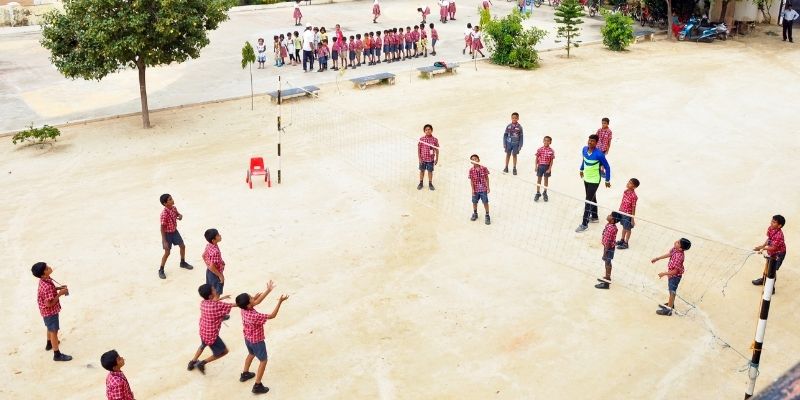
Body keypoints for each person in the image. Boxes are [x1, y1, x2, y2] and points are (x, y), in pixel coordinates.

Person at [236, 281, 290, 395]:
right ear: (248, 304)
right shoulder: (255, 316)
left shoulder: (243, 309)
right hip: (257, 341)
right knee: (263, 360)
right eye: (251, 298)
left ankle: (245, 374)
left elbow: (256, 301)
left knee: (251, 354)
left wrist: (268, 290)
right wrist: (280, 302)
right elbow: (272, 316)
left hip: (247, 338)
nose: (253, 297)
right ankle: (257, 385)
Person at [188, 284, 235, 374]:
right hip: (212, 336)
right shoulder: (217, 306)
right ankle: (202, 363)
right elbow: (232, 305)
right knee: (224, 352)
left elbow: (213, 302)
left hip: (203, 331)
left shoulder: (203, 303)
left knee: (203, 345)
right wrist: (245, 303)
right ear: (210, 296)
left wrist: (222, 298)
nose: (215, 290)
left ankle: (192, 362)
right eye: (213, 290)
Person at [31, 262, 72, 361]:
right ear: (43, 274)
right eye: (46, 268)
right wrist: (60, 294)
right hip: (50, 312)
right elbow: (49, 304)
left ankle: (49, 343)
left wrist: (59, 288)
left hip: (46, 312)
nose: (49, 267)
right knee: (54, 331)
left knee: (50, 327)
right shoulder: (47, 287)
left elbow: (50, 290)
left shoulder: (44, 280)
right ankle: (57, 354)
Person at [575, 134, 611, 232]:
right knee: (592, 197)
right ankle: (594, 217)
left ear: (596, 143)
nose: (590, 142)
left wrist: (607, 180)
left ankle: (584, 224)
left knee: (588, 201)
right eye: (589, 140)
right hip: (586, 178)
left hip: (594, 180)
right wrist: (581, 169)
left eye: (592, 141)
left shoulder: (599, 154)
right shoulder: (584, 149)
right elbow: (584, 160)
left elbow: (607, 167)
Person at [651, 238, 692, 316]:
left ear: (680, 248)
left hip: (675, 277)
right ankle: (671, 304)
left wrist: (664, 273)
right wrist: (657, 258)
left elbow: (675, 271)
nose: (676, 242)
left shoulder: (679, 256)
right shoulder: (675, 249)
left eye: (678, 242)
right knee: (671, 290)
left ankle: (668, 310)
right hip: (671, 275)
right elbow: (669, 254)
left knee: (672, 291)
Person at [158, 194, 193, 280]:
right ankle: (161, 269)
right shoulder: (164, 214)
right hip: (167, 234)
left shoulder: (173, 208)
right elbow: (162, 228)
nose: (172, 200)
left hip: (174, 232)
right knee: (167, 253)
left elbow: (178, 214)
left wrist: (180, 216)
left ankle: (182, 262)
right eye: (170, 199)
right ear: (165, 203)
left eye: (171, 198)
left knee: (182, 246)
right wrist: (164, 241)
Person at [752, 215, 787, 292]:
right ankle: (764, 280)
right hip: (772, 252)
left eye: (774, 222)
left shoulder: (779, 236)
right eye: (772, 221)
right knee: (767, 266)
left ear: (779, 226)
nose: (771, 223)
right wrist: (762, 246)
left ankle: (771, 288)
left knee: (772, 270)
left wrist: (763, 248)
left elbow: (774, 248)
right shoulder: (770, 228)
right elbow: (769, 239)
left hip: (778, 254)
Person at [594, 212, 621, 290]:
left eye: (610, 215)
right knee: (607, 262)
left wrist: (604, 253)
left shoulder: (611, 228)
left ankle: (606, 283)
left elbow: (608, 242)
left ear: (612, 220)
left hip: (608, 248)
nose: (608, 215)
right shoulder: (610, 225)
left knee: (608, 263)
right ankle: (607, 277)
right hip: (608, 247)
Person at [616, 178, 640, 249]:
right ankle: (622, 240)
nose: (628, 183)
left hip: (628, 215)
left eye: (630, 183)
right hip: (622, 212)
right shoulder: (625, 191)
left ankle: (626, 243)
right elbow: (622, 201)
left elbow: (633, 207)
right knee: (624, 227)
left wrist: (632, 218)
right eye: (629, 182)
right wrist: (620, 210)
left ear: (634, 187)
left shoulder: (634, 196)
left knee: (628, 229)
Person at [468, 154, 491, 225]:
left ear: (479, 160)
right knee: (474, 202)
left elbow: (487, 178)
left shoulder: (484, 168)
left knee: (485, 202)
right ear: (471, 162)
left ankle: (487, 215)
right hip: (475, 189)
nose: (474, 160)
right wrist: (472, 190)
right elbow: (471, 180)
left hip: (483, 189)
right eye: (472, 159)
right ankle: (475, 213)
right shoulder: (471, 170)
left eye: (475, 159)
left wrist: (488, 187)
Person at [203, 228, 226, 297]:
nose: (220, 235)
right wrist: (220, 276)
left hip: (209, 272)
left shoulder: (209, 245)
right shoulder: (215, 251)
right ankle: (215, 303)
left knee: (211, 291)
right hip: (215, 274)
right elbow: (212, 266)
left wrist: (208, 266)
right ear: (213, 240)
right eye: (218, 235)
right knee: (216, 293)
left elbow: (203, 256)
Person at [417, 124, 440, 191]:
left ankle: (430, 183)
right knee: (422, 171)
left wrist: (437, 158)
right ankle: (421, 183)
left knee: (430, 171)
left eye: (429, 129)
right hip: (423, 159)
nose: (428, 131)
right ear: (424, 131)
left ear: (432, 130)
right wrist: (419, 158)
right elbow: (419, 149)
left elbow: (437, 149)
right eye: (426, 130)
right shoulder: (422, 139)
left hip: (430, 160)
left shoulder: (435, 140)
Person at [534, 136, 554, 202]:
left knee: (546, 180)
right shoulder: (540, 149)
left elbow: (551, 161)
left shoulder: (551, 151)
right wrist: (536, 166)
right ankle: (538, 192)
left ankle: (545, 192)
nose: (546, 142)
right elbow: (536, 158)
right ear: (543, 141)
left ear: (550, 142)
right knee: (539, 180)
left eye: (548, 141)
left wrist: (549, 169)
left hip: (547, 167)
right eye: (545, 140)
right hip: (540, 166)